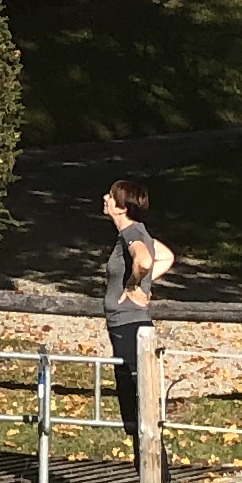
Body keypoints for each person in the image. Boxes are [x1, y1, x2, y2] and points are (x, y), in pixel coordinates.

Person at [100, 178, 170, 455]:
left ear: (121, 207)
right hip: (126, 326)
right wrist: (146, 282)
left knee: (138, 408)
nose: (105, 197)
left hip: (129, 328)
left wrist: (133, 285)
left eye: (111, 195)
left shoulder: (131, 233)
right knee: (136, 407)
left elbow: (145, 260)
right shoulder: (135, 232)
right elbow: (164, 257)